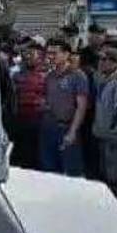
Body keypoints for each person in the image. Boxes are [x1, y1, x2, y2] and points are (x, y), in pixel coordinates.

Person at [40, 38, 88, 177]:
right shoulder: (50, 76)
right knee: (49, 170)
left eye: (55, 53)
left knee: (71, 171)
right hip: (49, 127)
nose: (51, 56)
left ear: (66, 54)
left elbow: (81, 106)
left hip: (67, 128)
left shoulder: (78, 76)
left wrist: (73, 131)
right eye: (48, 53)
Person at [91, 46, 117, 203]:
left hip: (115, 135)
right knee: (107, 172)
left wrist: (113, 130)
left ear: (113, 62)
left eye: (104, 59)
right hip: (104, 134)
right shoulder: (104, 79)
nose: (100, 63)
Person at [11, 41, 47, 169]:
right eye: (26, 53)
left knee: (36, 158)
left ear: (41, 56)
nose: (28, 57)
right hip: (20, 120)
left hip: (38, 122)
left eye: (32, 54)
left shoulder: (46, 76)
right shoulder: (16, 74)